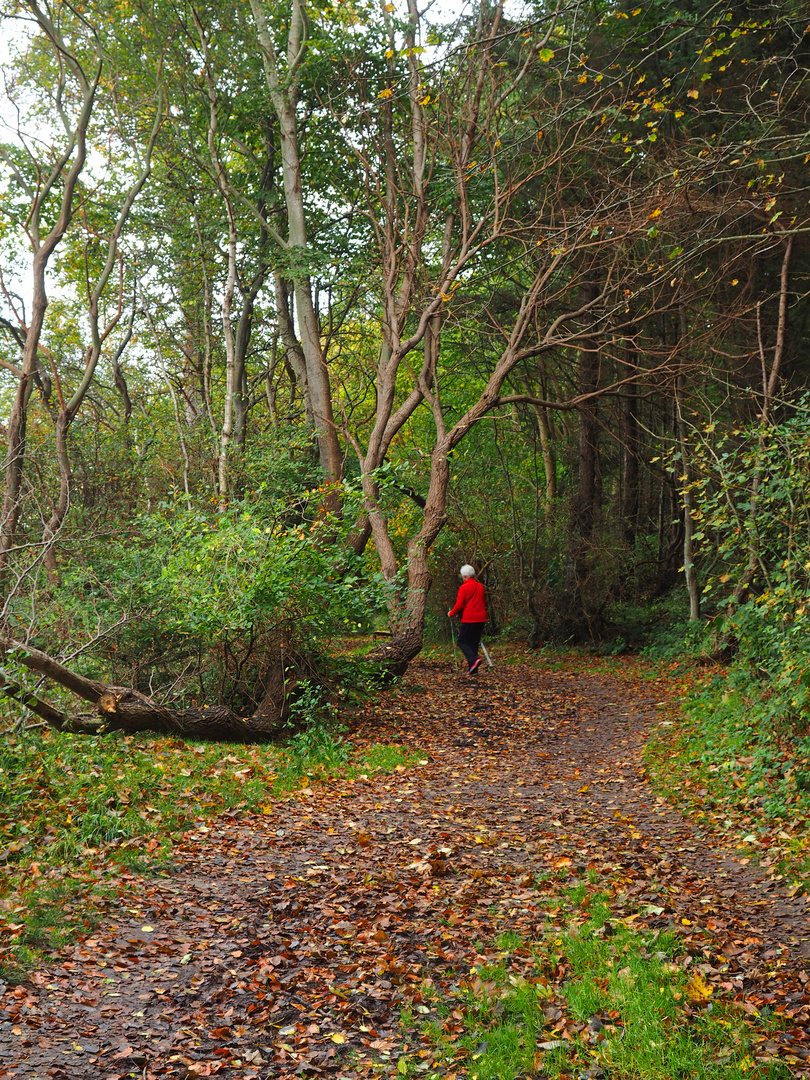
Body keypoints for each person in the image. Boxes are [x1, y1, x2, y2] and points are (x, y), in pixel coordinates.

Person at [448, 564, 487, 674]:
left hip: (469, 618)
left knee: (462, 642)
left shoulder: (463, 588)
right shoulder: (480, 586)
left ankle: (474, 660)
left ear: (464, 576)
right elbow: (483, 602)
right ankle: (473, 669)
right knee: (473, 643)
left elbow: (459, 605)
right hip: (481, 618)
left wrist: (451, 613)